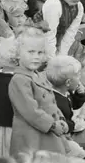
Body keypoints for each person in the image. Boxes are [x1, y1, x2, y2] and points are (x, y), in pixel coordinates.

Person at [9, 26, 68, 155]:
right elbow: (31, 112)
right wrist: (52, 125)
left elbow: (51, 103)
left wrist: (61, 119)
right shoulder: (19, 80)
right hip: (32, 137)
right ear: (18, 53)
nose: (36, 57)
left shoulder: (39, 75)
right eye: (31, 52)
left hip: (50, 134)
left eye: (40, 52)